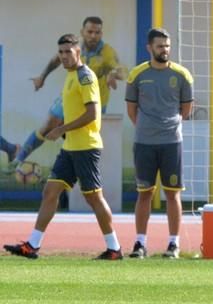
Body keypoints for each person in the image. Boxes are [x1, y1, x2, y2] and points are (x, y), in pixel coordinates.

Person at [3, 34, 122, 260]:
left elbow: (92, 114)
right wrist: (63, 131)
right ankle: (32, 245)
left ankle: (114, 248)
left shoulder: (85, 76)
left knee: (94, 198)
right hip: (70, 147)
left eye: (69, 51)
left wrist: (61, 128)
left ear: (78, 52)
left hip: (86, 147)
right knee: (50, 192)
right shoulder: (69, 76)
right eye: (61, 52)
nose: (64, 56)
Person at [14, 16, 125, 166]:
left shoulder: (107, 52)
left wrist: (113, 74)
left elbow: (122, 70)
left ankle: (75, 179)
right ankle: (18, 160)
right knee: (49, 125)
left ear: (101, 33)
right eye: (90, 31)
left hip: (94, 103)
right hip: (71, 96)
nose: (93, 36)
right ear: (82, 31)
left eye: (97, 32)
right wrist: (42, 77)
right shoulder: (74, 45)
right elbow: (56, 59)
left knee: (82, 141)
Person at [125, 28, 194, 259]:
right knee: (144, 193)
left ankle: (174, 244)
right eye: (159, 46)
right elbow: (131, 110)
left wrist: (167, 126)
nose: (164, 50)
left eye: (167, 46)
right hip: (144, 143)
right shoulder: (137, 75)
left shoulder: (183, 75)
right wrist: (147, 127)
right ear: (149, 48)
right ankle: (140, 243)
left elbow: (185, 110)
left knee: (172, 194)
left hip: (171, 142)